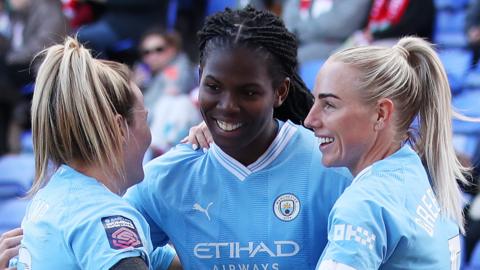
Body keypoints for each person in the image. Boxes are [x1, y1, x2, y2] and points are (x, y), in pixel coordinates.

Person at [124, 6, 352, 269]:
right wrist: (176, 264)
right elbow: (112, 246)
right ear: (199, 78)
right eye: (213, 87)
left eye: (249, 93)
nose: (228, 105)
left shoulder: (332, 168)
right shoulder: (170, 175)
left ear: (280, 91)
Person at [11, 37, 179, 270]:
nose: (149, 135)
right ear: (119, 128)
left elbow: (161, 259)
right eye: (145, 119)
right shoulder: (104, 217)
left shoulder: (54, 195)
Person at [304, 36, 469, 269]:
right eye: (314, 102)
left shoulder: (366, 204)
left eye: (329, 105)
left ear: (381, 114)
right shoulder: (414, 174)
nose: (309, 120)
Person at [134, 27, 200, 157]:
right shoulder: (150, 76)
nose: (153, 56)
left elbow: (173, 92)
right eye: (146, 52)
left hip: (175, 132)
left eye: (159, 49)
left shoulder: (177, 66)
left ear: (172, 49)